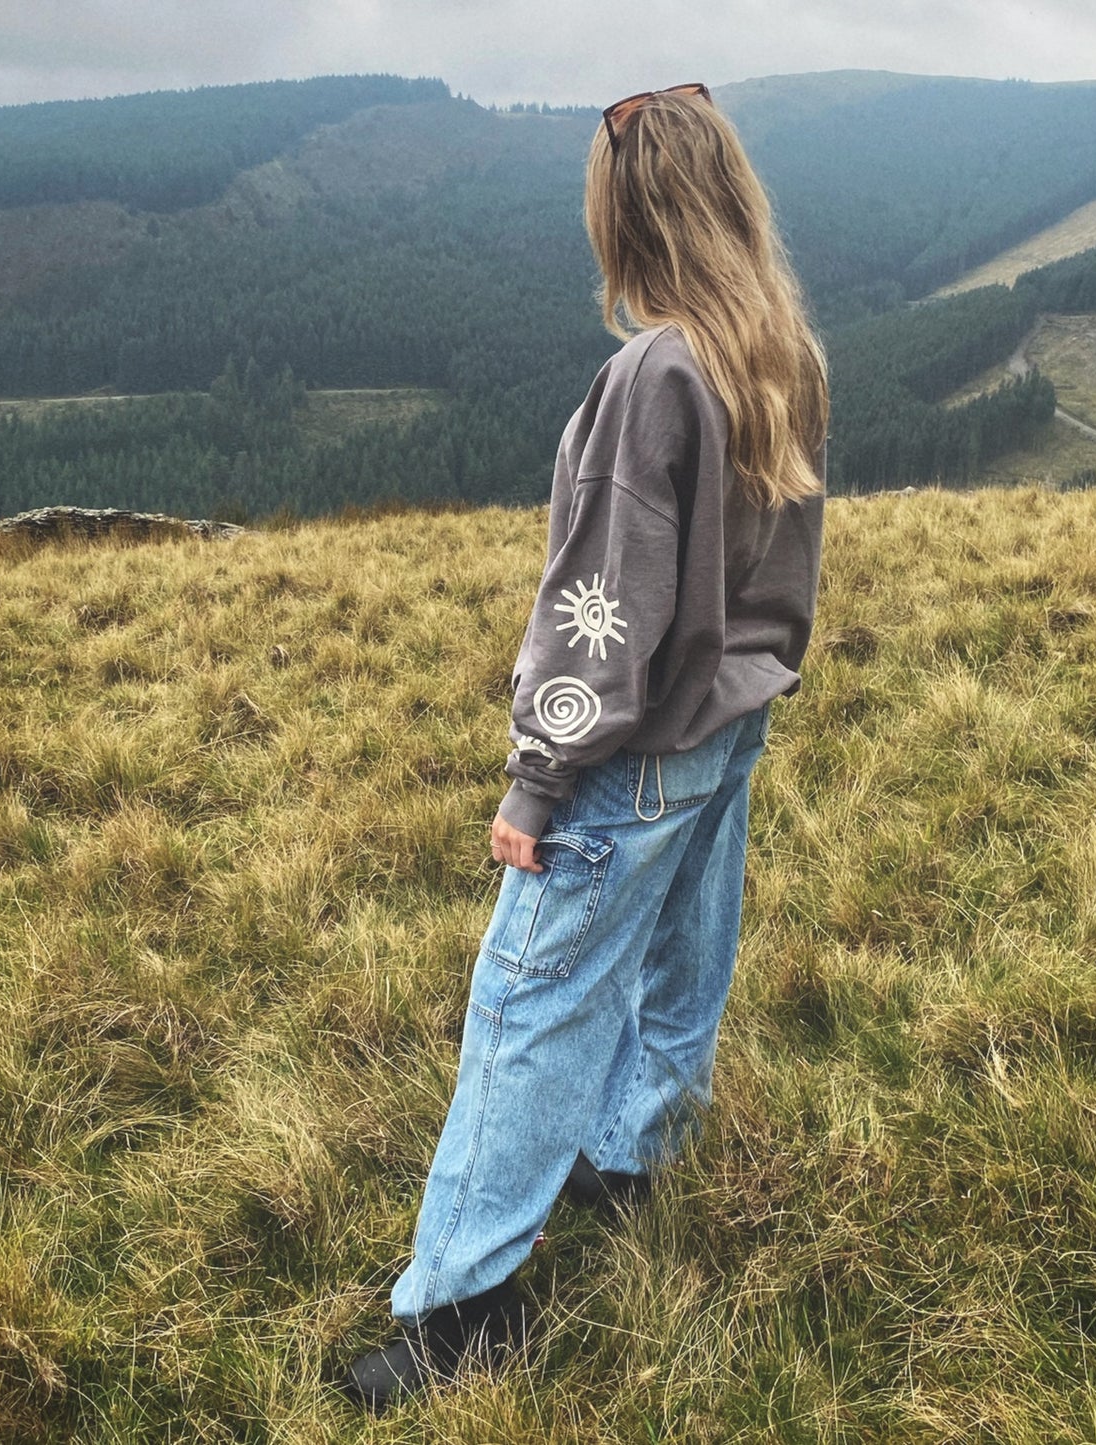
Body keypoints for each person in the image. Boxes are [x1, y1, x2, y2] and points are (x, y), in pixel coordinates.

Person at [343, 81, 829, 1410]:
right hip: (728, 727)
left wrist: (539, 774)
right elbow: (780, 567)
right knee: (683, 954)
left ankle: (459, 1313)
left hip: (634, 749)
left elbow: (602, 604)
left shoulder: (652, 373)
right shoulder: (774, 345)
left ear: (627, 214)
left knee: (524, 1006)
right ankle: (634, 1158)